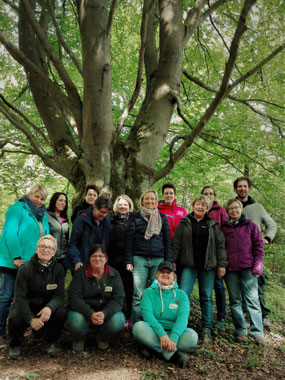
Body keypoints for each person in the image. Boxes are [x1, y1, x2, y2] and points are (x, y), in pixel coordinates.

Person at [0, 184, 49, 347]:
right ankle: (1, 332)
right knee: (7, 297)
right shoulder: (18, 208)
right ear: (29, 194)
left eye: (42, 199)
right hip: (13, 261)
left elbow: (46, 237)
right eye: (37, 196)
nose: (39, 201)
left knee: (29, 297)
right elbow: (10, 232)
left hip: (33, 264)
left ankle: (29, 331)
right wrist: (17, 256)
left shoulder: (43, 215)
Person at [173, 195, 227, 344]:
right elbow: (176, 243)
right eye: (198, 204)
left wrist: (222, 265)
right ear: (193, 205)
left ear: (207, 208)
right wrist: (172, 261)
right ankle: (177, 325)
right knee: (182, 295)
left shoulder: (212, 225)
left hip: (207, 268)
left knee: (206, 297)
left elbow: (220, 246)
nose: (200, 207)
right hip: (188, 266)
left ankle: (206, 329)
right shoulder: (184, 222)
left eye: (203, 205)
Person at [7, 235, 66, 359]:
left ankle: (51, 342)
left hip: (45, 307)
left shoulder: (59, 269)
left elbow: (59, 295)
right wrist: (30, 319)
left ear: (54, 252)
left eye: (50, 248)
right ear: (37, 249)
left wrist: (50, 307)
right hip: (27, 305)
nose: (46, 250)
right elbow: (19, 297)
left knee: (60, 312)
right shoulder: (25, 269)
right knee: (15, 317)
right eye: (42, 246)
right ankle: (14, 345)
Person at [133, 261, 198, 368]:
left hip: (173, 332)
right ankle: (174, 356)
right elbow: (147, 315)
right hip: (153, 331)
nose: (165, 274)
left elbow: (182, 318)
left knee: (192, 337)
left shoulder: (181, 295)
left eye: (168, 272)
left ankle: (152, 348)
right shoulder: (148, 293)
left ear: (173, 275)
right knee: (138, 327)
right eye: (162, 272)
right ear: (157, 274)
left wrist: (174, 338)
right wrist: (162, 334)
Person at [234, 176, 277, 329]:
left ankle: (264, 316)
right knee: (240, 285)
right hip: (237, 255)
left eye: (245, 186)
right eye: (239, 186)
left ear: (249, 188)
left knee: (258, 284)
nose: (242, 189)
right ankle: (245, 315)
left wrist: (267, 238)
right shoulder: (233, 206)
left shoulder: (256, 207)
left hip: (254, 253)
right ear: (236, 189)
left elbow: (271, 224)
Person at [66, 244, 125, 352]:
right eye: (94, 256)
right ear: (89, 258)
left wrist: (105, 313)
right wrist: (90, 313)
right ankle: (78, 339)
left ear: (106, 259)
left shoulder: (114, 274)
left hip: (105, 314)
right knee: (76, 320)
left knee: (118, 319)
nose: (97, 258)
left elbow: (118, 299)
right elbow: (74, 297)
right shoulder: (80, 274)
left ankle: (102, 338)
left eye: (101, 256)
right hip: (83, 313)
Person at [125, 190, 173, 324]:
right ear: (142, 201)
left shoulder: (162, 217)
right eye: (147, 199)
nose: (150, 201)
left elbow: (167, 241)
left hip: (158, 259)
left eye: (152, 199)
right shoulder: (136, 217)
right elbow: (129, 240)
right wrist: (129, 260)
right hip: (139, 259)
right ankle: (136, 324)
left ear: (156, 201)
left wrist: (168, 262)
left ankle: (154, 323)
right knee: (138, 294)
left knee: (156, 293)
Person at [221, 199, 265, 345]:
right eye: (231, 209)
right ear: (227, 211)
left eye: (236, 208)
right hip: (231, 270)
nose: (234, 211)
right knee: (234, 301)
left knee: (252, 300)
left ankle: (257, 332)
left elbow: (259, 246)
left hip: (248, 269)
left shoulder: (251, 225)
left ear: (241, 209)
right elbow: (221, 248)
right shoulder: (224, 227)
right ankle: (240, 330)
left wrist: (258, 263)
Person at [201, 186, 228, 329]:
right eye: (206, 194)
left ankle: (221, 315)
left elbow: (226, 233)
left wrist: (222, 261)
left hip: (216, 255)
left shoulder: (220, 211)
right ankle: (206, 319)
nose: (209, 196)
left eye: (211, 194)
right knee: (205, 290)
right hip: (202, 258)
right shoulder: (199, 211)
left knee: (218, 286)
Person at [65, 195, 112, 272]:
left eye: (106, 213)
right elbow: (72, 243)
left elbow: (105, 242)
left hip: (97, 263)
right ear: (95, 207)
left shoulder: (106, 221)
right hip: (80, 261)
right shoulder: (81, 220)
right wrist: (77, 260)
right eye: (102, 212)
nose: (104, 215)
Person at [109, 195, 134, 326]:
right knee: (113, 290)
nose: (123, 206)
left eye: (125, 204)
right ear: (116, 206)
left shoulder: (134, 220)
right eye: (120, 204)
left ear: (129, 206)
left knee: (130, 289)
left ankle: (130, 317)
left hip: (129, 261)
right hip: (113, 260)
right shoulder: (110, 221)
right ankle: (114, 318)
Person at [46, 192, 69, 270]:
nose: (63, 203)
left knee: (60, 281)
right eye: (60, 200)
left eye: (65, 201)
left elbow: (67, 237)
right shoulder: (46, 215)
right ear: (54, 201)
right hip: (50, 256)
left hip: (64, 258)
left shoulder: (65, 218)